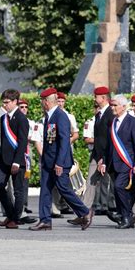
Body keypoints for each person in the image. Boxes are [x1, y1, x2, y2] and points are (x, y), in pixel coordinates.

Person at [30, 88, 93, 231]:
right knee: (45, 190)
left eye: (42, 100)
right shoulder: (49, 116)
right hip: (48, 161)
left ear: (46, 102)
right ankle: (45, 220)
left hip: (59, 162)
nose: (41, 103)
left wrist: (59, 162)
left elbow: (64, 141)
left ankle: (85, 212)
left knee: (64, 188)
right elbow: (51, 140)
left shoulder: (60, 116)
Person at [67, 87, 114, 225]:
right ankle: (84, 213)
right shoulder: (99, 115)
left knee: (118, 182)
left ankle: (131, 213)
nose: (95, 99)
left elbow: (109, 138)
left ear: (104, 98)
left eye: (97, 97)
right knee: (90, 183)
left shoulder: (110, 114)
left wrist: (104, 158)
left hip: (108, 154)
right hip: (97, 154)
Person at [100, 94, 135, 228]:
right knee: (118, 190)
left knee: (119, 187)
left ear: (124, 107)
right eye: (112, 105)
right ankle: (123, 214)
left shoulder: (133, 122)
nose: (112, 108)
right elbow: (109, 146)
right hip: (114, 163)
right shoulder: (112, 122)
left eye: (115, 105)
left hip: (127, 163)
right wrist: (105, 162)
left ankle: (126, 216)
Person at [0, 89, 30, 229]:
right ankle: (10, 214)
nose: (5, 105)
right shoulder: (4, 118)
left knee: (18, 190)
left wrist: (16, 161)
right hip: (3, 159)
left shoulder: (22, 118)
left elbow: (22, 142)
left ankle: (15, 219)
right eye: (3, 102)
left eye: (7, 102)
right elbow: (3, 140)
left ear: (15, 102)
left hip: (17, 160)